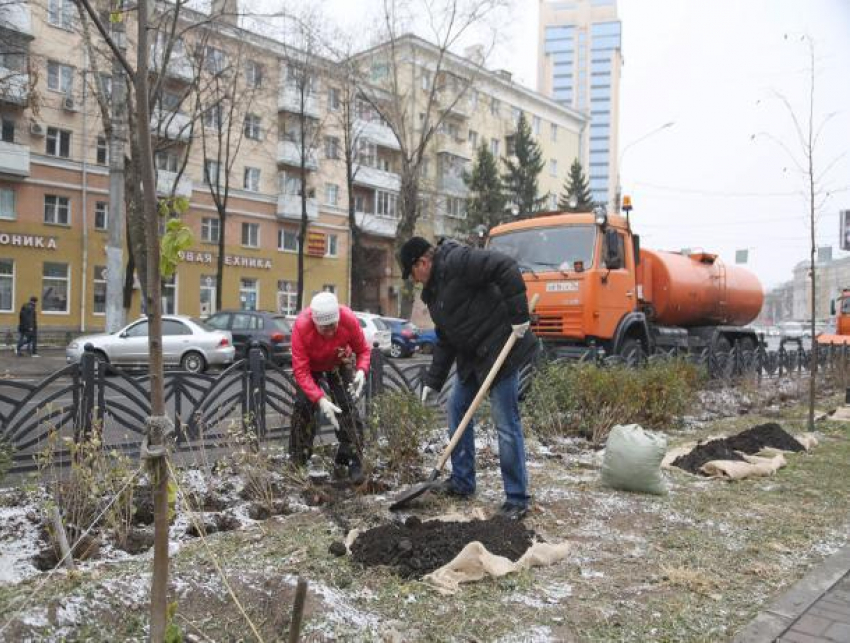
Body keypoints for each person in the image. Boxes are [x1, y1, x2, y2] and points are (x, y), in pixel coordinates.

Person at [398, 236, 537, 520]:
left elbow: (505, 266)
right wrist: (433, 381)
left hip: (501, 349)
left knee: (505, 424)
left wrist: (519, 315)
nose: (414, 281)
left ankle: (517, 498)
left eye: (412, 274)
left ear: (422, 263)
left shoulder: (458, 261)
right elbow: (446, 340)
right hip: (473, 358)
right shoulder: (434, 294)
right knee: (456, 407)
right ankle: (462, 482)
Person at [289, 292, 371, 482]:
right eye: (324, 328)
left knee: (346, 405)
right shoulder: (301, 326)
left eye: (333, 326)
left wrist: (361, 370)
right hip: (310, 368)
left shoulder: (348, 318)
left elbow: (363, 350)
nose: (330, 332)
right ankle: (298, 458)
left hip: (338, 362)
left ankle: (352, 457)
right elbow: (300, 371)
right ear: (314, 321)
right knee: (303, 407)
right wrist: (320, 399)